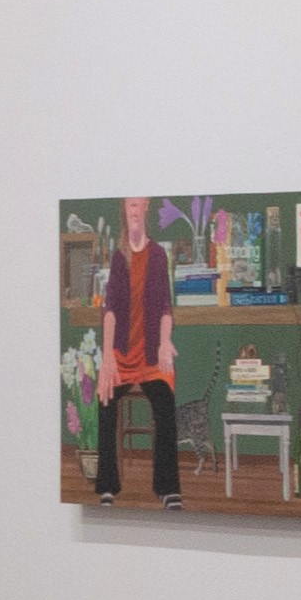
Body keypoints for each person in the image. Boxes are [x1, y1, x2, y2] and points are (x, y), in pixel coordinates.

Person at [91, 197, 181, 498]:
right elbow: (111, 310)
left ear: (146, 209)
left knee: (166, 403)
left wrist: (165, 341)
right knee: (105, 403)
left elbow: (166, 308)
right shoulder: (119, 257)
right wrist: (107, 359)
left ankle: (167, 489)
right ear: (124, 211)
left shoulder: (157, 255)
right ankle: (107, 486)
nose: (133, 210)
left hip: (151, 354)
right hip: (122, 354)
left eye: (138, 205)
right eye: (129, 205)